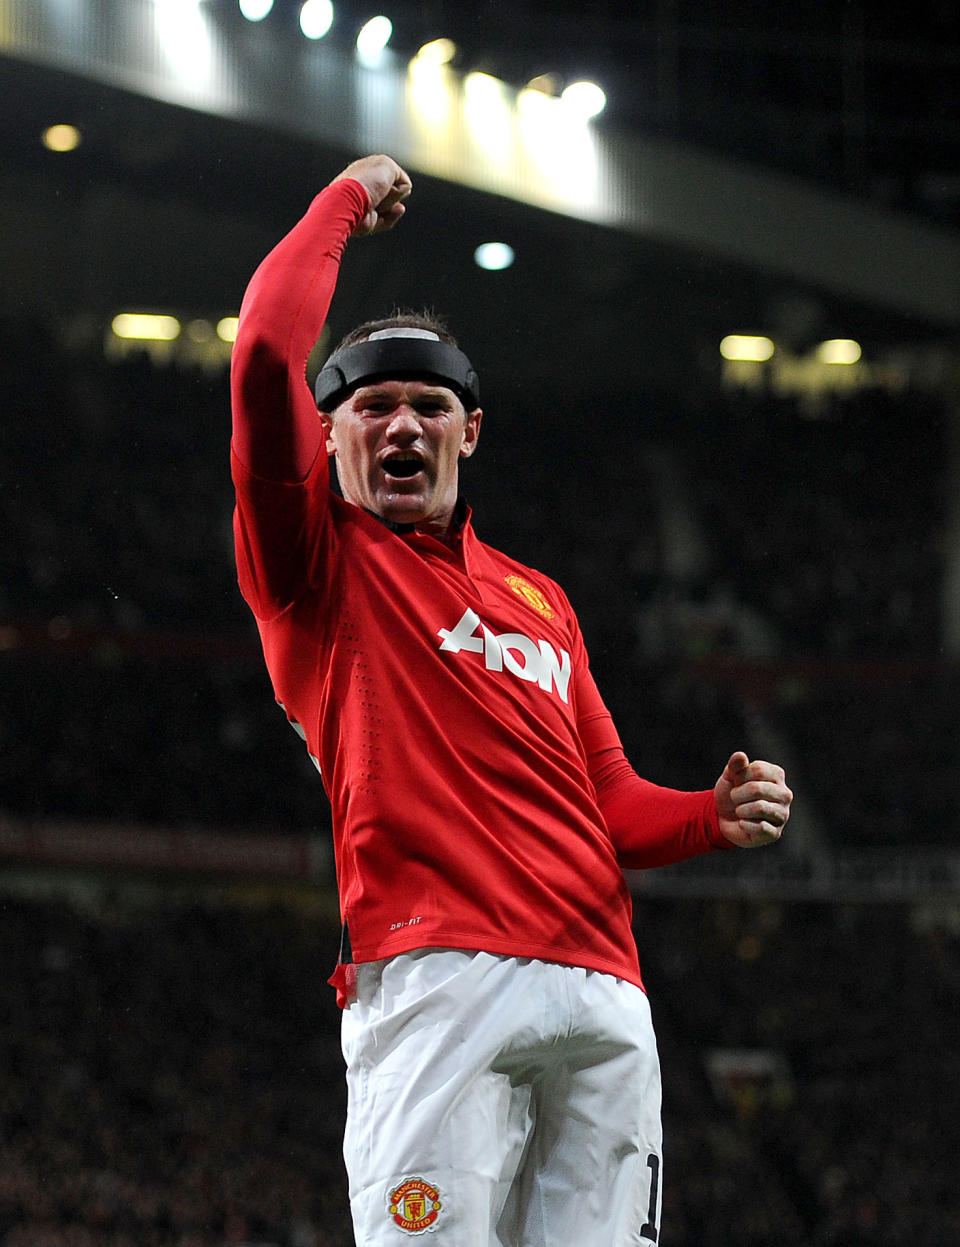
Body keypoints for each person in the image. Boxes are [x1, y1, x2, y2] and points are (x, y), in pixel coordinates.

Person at [230, 153, 792, 1247]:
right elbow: (260, 350)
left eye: (430, 406)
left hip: (603, 988)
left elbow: (611, 803)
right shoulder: (313, 564)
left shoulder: (540, 599)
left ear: (469, 431)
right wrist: (342, 202)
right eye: (373, 406)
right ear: (330, 433)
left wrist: (705, 816)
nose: (402, 427)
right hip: (439, 980)